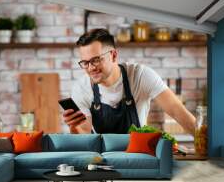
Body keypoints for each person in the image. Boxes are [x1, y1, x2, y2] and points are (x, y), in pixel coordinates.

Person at [63, 28, 196, 135]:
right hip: (101, 159)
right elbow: (85, 133)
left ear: (113, 55)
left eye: (96, 60)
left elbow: (176, 110)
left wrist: (205, 143)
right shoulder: (81, 88)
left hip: (139, 156)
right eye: (85, 63)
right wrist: (74, 127)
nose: (91, 68)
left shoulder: (141, 75)